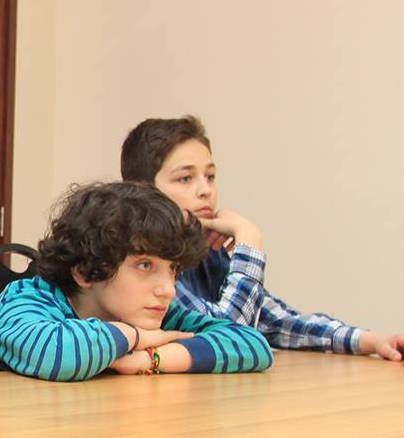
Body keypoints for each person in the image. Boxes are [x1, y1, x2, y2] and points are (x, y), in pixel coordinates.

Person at [122, 116, 404, 360]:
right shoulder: (141, 264)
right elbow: (230, 336)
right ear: (143, 190)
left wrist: (369, 340)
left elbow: (276, 321)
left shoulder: (207, 251)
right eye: (185, 178)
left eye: (210, 176)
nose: (205, 190)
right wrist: (249, 242)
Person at [0, 181, 273, 380]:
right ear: (85, 271)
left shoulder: (147, 311)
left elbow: (252, 345)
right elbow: (56, 355)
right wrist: (137, 337)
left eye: (172, 269)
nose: (168, 289)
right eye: (144, 265)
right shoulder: (26, 300)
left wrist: (150, 359)